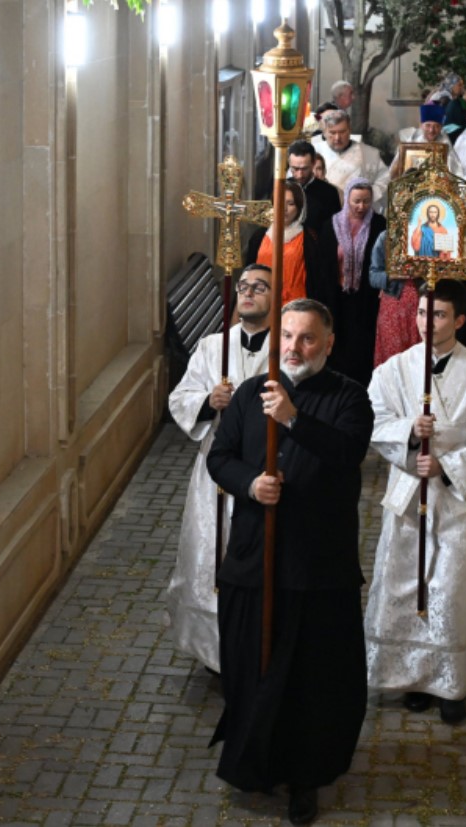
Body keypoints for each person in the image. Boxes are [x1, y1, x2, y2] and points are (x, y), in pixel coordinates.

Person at [206, 298, 373, 826]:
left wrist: (293, 418)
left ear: (328, 343)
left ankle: (306, 776)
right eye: (288, 337)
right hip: (255, 557)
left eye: (307, 339)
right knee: (249, 665)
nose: (294, 348)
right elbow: (221, 457)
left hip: (316, 565)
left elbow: (347, 455)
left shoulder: (349, 397)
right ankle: (256, 761)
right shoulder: (254, 391)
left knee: (311, 681)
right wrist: (250, 486)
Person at [365, 279, 466, 725]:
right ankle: (412, 677)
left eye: (440, 315)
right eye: (423, 314)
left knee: (450, 588)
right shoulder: (393, 369)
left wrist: (444, 466)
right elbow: (374, 420)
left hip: (456, 500)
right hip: (409, 495)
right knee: (408, 585)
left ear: (460, 320)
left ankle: (451, 682)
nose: (429, 323)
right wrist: (410, 434)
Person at [166, 265, 274, 672]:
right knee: (212, 553)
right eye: (243, 287)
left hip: (264, 467)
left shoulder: (284, 349)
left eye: (260, 287)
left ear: (274, 298)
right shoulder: (212, 347)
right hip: (215, 471)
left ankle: (260, 642)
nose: (248, 293)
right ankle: (215, 651)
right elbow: (181, 398)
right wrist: (209, 401)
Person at [328, 178, 385, 387]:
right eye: (356, 201)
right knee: (337, 346)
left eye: (366, 201)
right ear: (347, 200)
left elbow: (385, 261)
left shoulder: (379, 225)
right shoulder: (332, 224)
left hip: (367, 299)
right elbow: (323, 266)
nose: (361, 207)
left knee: (363, 348)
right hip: (337, 298)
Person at [244, 181, 334, 307]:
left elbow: (318, 282)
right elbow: (248, 272)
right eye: (279, 202)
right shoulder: (259, 237)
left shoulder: (309, 239)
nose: (284, 209)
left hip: (296, 308)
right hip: (261, 306)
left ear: (299, 207)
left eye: (290, 204)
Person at [312, 109, 390, 209]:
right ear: (324, 132)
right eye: (332, 132)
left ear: (349, 130)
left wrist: (364, 197)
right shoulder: (313, 151)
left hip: (358, 212)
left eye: (342, 132)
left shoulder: (369, 154)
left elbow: (384, 181)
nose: (337, 138)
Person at [370, 230, 420, 367]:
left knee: (419, 360)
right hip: (393, 308)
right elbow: (373, 276)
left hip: (423, 306)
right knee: (392, 362)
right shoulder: (386, 237)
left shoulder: (428, 235)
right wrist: (395, 274)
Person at [287, 139, 342, 235]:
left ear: (313, 164)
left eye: (304, 168)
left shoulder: (329, 192)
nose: (300, 174)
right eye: (295, 169)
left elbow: (334, 230)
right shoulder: (282, 188)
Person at [439, 73, 466, 142]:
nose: (462, 87)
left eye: (462, 84)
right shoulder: (445, 99)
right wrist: (464, 102)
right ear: (451, 86)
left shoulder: (457, 98)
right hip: (450, 136)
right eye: (459, 85)